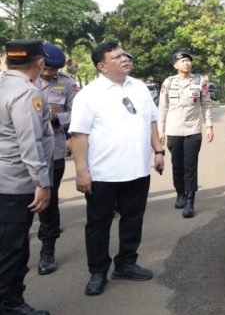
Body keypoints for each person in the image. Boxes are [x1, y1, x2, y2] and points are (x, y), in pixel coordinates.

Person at [69, 41, 166, 296]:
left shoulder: (140, 87)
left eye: (124, 55)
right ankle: (98, 271)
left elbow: (151, 121)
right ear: (102, 66)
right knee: (98, 224)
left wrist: (158, 151)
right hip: (103, 174)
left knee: (133, 219)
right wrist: (81, 171)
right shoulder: (89, 95)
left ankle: (126, 264)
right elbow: (78, 135)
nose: (125, 59)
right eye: (116, 57)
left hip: (137, 170)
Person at [0, 39, 52, 315]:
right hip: (16, 183)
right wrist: (42, 183)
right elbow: (30, 142)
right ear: (40, 62)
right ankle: (9, 303)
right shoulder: (26, 93)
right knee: (14, 248)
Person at [35, 43, 79, 276]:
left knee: (48, 202)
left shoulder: (67, 84)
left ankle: (47, 251)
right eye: (45, 68)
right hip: (21, 154)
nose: (48, 73)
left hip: (53, 151)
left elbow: (76, 114)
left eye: (53, 70)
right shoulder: (20, 81)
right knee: (20, 204)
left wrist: (56, 117)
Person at [158, 51, 214, 218]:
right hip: (173, 130)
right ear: (175, 65)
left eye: (188, 60)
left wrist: (209, 126)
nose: (186, 63)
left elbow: (206, 105)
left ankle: (190, 200)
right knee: (177, 165)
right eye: (182, 61)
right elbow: (163, 108)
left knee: (190, 165)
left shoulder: (200, 81)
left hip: (193, 130)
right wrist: (161, 130)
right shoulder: (168, 82)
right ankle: (180, 193)